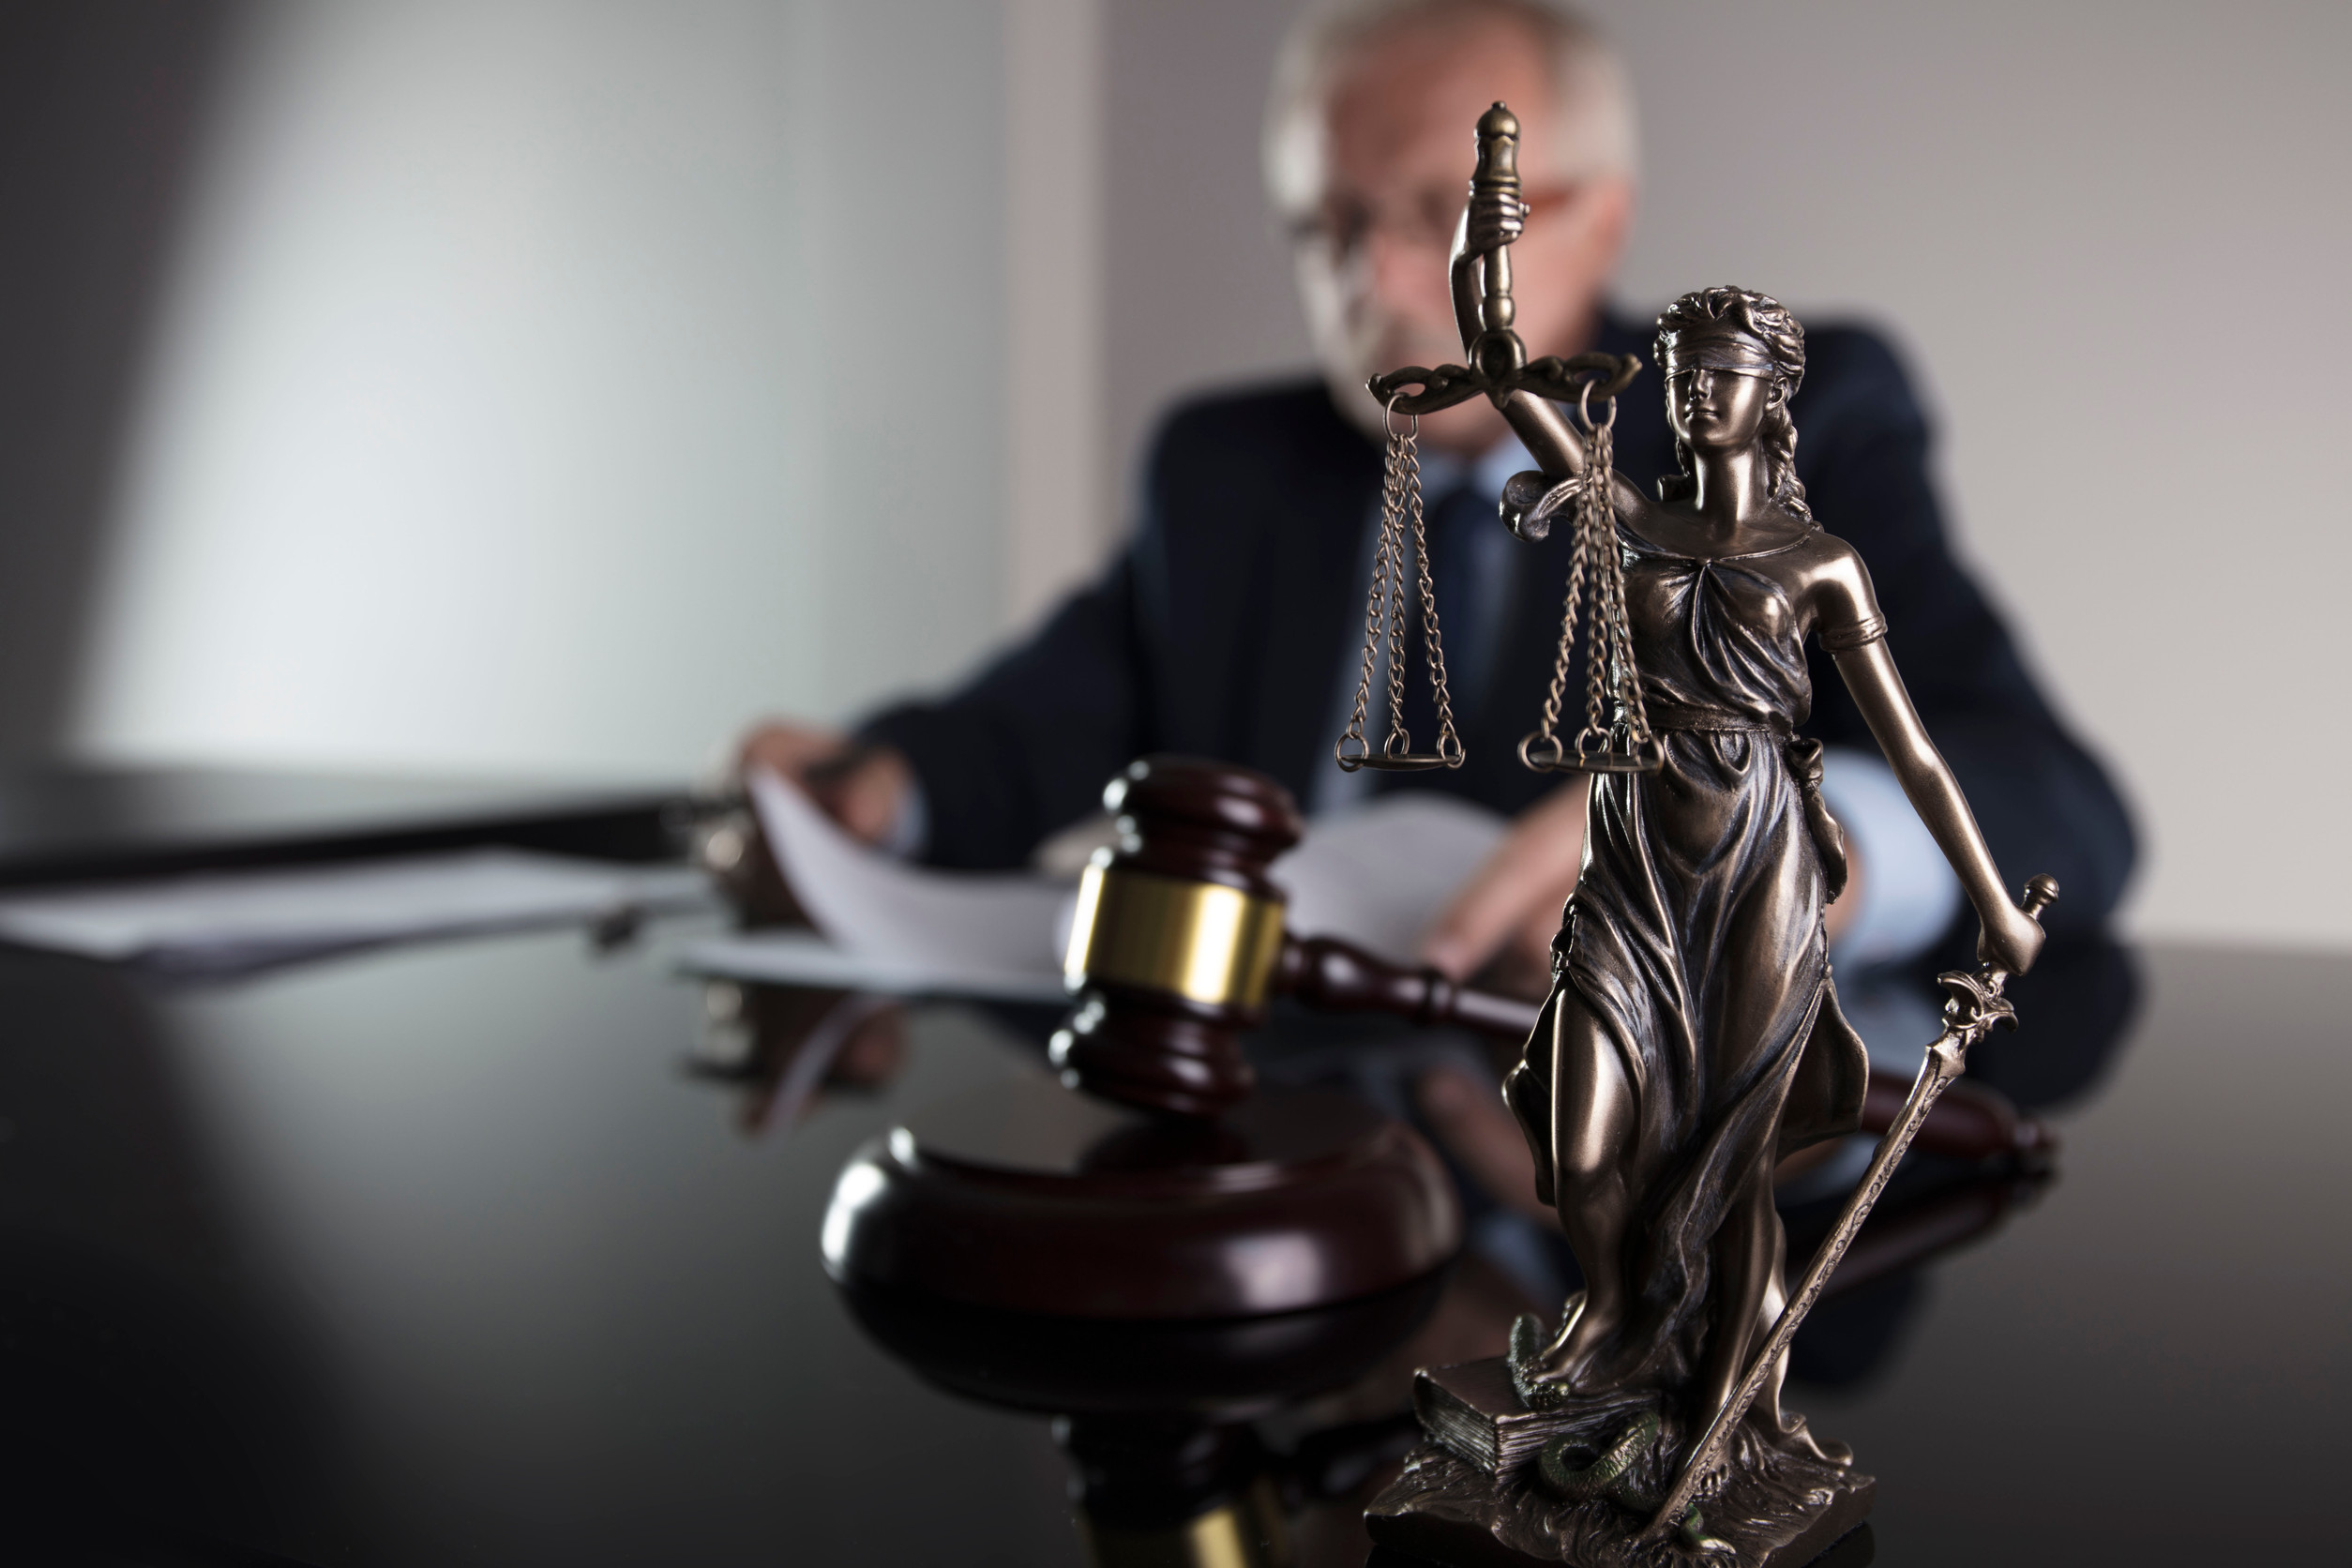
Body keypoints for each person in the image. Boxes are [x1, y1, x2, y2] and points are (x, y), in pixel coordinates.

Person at [738, 0, 2132, 1017]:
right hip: (1273, 1136)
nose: (1382, 281)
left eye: (1445, 219)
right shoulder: (1227, 470)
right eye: (1327, 226)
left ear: (1604, 217)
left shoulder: (1782, 431)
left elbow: (2052, 800)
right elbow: (1038, 726)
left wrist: (1783, 847)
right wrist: (879, 792)